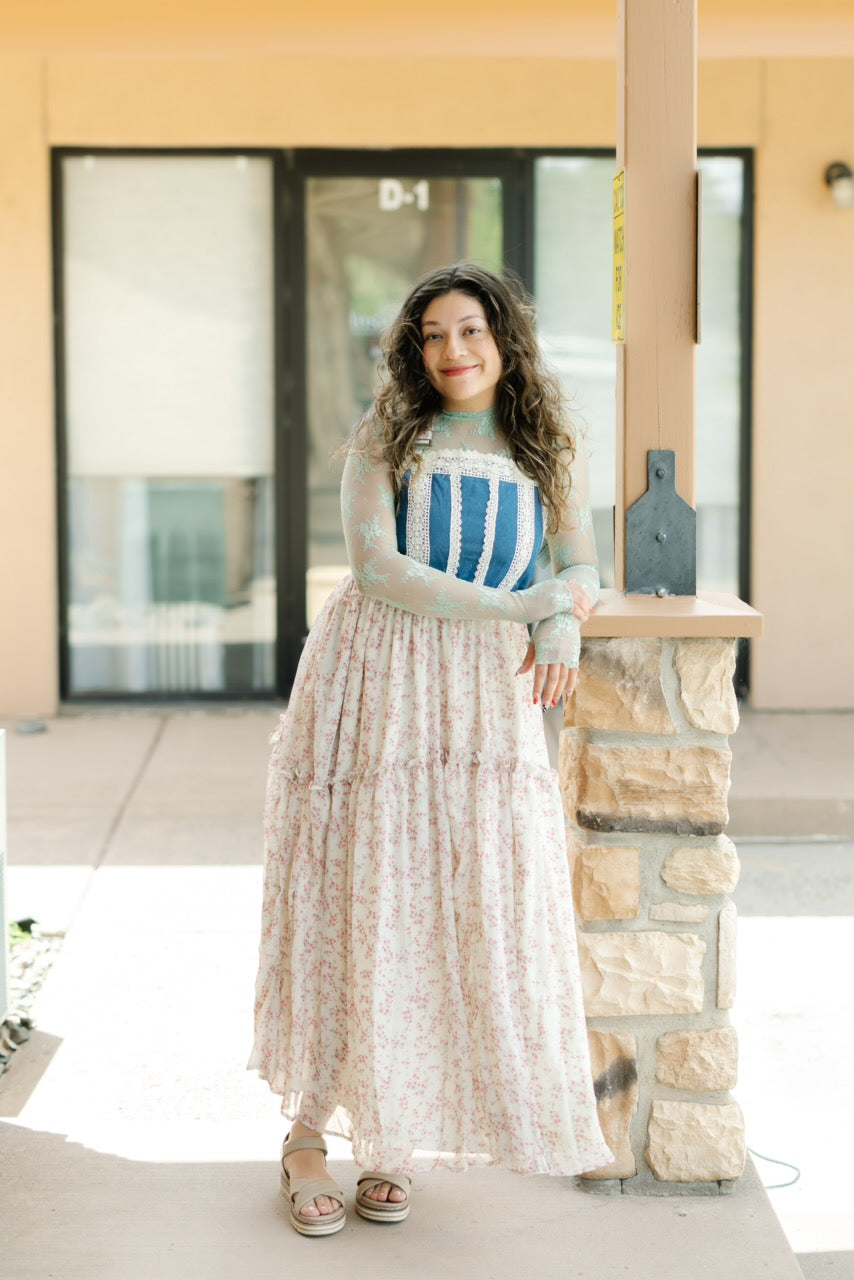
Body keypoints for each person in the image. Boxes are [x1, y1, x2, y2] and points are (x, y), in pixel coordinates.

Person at [249, 263, 613, 1237]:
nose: (452, 350)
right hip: (378, 678)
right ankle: (305, 1133)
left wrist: (564, 622)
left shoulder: (542, 445)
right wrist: (522, 607)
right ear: (413, 350)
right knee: (359, 890)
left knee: (453, 900)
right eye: (431, 335)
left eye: (469, 330)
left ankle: (392, 1134)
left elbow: (578, 561)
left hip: (480, 703)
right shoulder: (385, 436)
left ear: (504, 338)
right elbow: (378, 567)